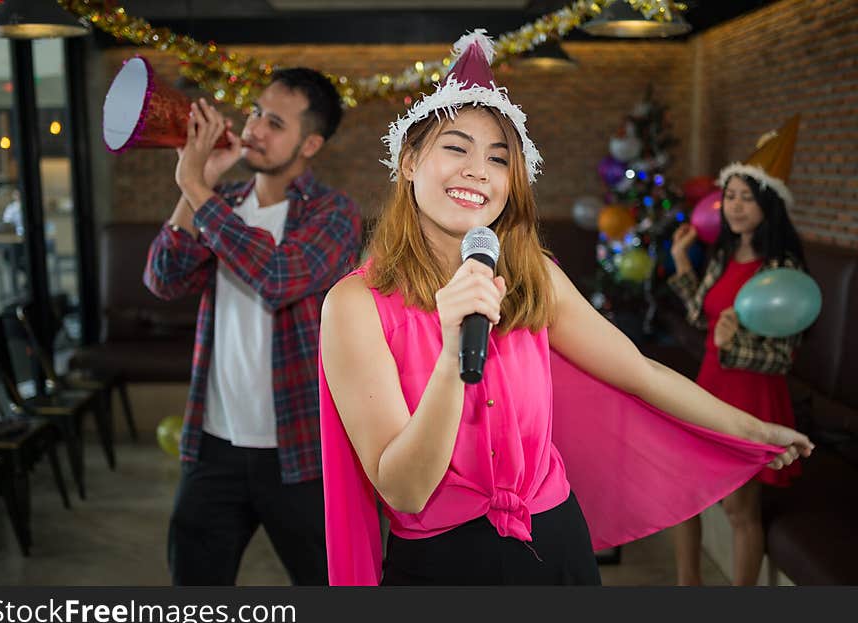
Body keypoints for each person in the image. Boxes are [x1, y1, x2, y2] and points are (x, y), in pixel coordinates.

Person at [318, 30, 812, 586]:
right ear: (409, 161)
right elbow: (404, 489)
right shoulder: (356, 305)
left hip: (557, 545)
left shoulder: (534, 279)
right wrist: (455, 350)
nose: (478, 170)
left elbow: (641, 373)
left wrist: (753, 430)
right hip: (444, 563)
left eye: (499, 159)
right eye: (456, 147)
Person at [144, 67, 362, 586]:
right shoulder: (224, 202)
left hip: (302, 448)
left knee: (328, 585)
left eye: (276, 123)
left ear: (310, 143)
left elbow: (278, 278)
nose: (255, 130)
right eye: (257, 113)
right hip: (213, 442)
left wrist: (198, 189)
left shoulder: (334, 213)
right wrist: (199, 187)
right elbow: (163, 279)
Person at [668, 116, 807, 586]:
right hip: (710, 388)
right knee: (682, 493)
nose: (736, 206)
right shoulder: (724, 256)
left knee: (738, 508)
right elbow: (700, 315)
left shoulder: (782, 266)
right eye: (731, 195)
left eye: (748, 197)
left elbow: (783, 357)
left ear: (769, 205)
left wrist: (735, 343)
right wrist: (682, 262)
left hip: (752, 394)